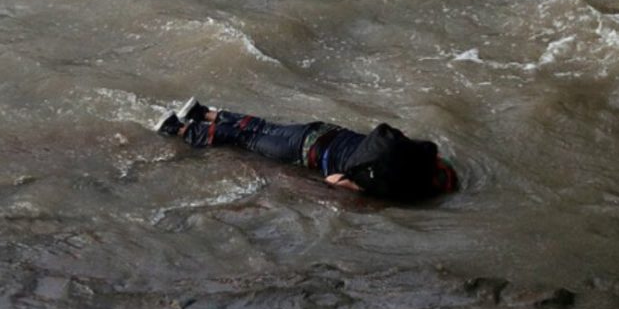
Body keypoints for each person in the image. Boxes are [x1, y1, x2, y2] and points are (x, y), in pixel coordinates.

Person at [154, 98, 458, 201]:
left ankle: (203, 112)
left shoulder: (413, 152)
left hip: (320, 130)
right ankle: (178, 128)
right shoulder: (387, 182)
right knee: (245, 141)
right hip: (304, 151)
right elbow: (333, 182)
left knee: (262, 126)